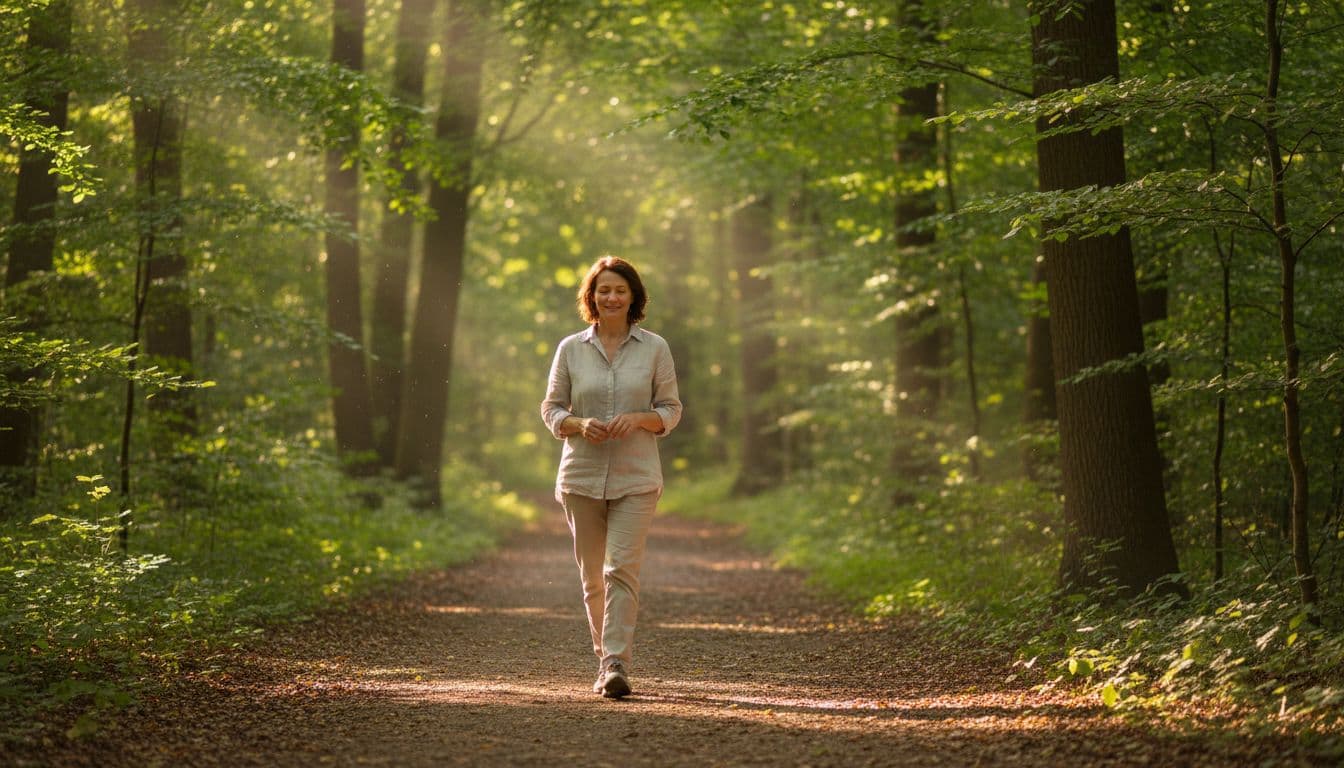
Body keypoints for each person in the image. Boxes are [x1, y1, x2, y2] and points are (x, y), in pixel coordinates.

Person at [540, 256, 682, 699]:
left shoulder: (655, 348)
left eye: (620, 289)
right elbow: (550, 409)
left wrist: (641, 419)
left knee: (621, 568)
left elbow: (671, 411)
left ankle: (616, 661)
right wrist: (578, 424)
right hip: (580, 476)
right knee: (592, 578)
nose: (612, 296)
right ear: (592, 297)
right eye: (604, 289)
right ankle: (606, 658)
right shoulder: (570, 349)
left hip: (637, 477)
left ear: (633, 296)